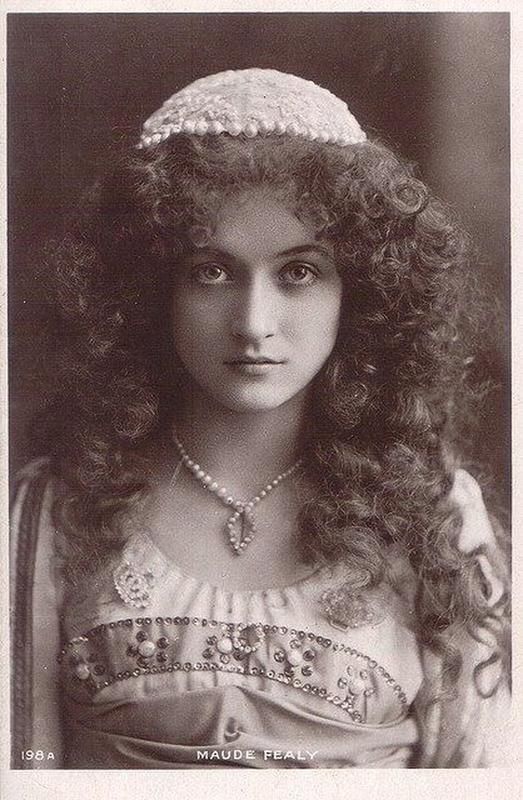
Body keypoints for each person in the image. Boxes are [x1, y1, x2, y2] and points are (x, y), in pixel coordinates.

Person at [10, 68, 510, 769]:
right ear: (153, 288)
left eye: (298, 273)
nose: (252, 324)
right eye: (210, 272)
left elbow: (479, 769)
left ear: (359, 294)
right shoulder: (58, 505)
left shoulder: (431, 515)